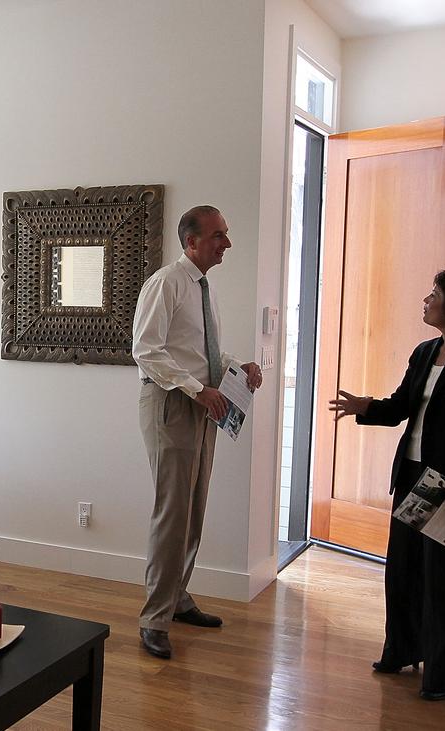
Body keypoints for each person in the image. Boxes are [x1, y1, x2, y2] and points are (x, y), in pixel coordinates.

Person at [329, 270, 445, 700]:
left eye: (434, 296)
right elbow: (401, 407)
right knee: (404, 572)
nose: (426, 301)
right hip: (413, 476)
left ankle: (443, 677)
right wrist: (366, 406)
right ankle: (401, 650)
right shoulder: (425, 352)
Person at [131, 205, 262, 660]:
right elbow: (146, 351)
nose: (227, 243)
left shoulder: (204, 288)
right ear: (191, 241)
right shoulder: (166, 283)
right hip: (172, 404)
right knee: (173, 512)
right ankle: (154, 619)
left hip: (205, 402)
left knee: (194, 508)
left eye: (225, 234)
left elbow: (201, 353)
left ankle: (178, 597)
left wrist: (238, 367)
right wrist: (197, 389)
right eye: (218, 235)